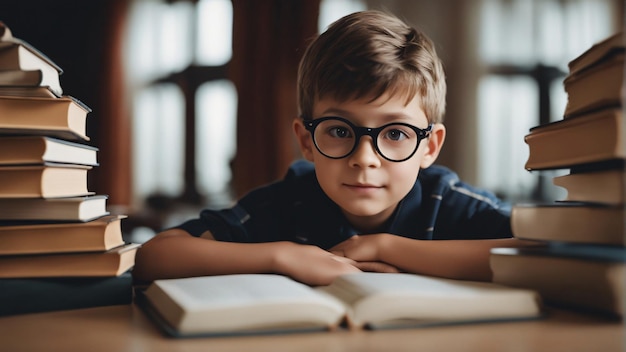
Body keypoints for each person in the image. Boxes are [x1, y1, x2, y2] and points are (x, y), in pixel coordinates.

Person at [133, 10, 527, 286]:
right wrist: (282, 256)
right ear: (306, 140)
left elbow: (543, 251)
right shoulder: (287, 204)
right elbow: (155, 256)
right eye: (339, 131)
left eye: (395, 133)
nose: (364, 159)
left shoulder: (449, 202)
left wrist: (388, 247)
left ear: (430, 146)